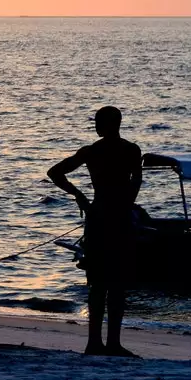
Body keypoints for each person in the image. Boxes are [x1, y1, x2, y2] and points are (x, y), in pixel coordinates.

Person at [47, 105, 142, 357]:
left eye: (98, 121)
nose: (95, 126)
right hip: (119, 217)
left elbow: (55, 172)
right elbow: (137, 180)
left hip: (99, 216)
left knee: (100, 283)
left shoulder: (92, 151)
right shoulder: (132, 150)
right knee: (116, 284)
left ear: (110, 124)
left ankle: (96, 343)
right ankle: (110, 343)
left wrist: (79, 195)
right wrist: (126, 202)